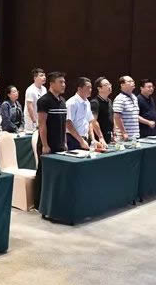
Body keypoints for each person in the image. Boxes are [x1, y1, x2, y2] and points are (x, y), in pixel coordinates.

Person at [36, 71, 67, 204]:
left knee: (57, 174)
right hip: (47, 144)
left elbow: (64, 124)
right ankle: (39, 202)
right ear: (52, 83)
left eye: (64, 82)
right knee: (44, 174)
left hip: (60, 144)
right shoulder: (44, 101)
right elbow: (42, 124)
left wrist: (64, 141)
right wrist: (45, 145)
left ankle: (54, 202)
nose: (63, 84)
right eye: (60, 82)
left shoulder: (62, 101)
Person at [65, 77, 104, 150]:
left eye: (91, 87)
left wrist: (93, 140)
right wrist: (81, 141)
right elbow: (68, 124)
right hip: (72, 139)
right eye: (88, 87)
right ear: (79, 89)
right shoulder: (71, 103)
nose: (90, 90)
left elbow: (90, 122)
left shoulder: (87, 102)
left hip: (84, 139)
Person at [113, 75, 140, 141]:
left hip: (135, 136)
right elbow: (117, 117)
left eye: (133, 81)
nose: (133, 83)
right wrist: (124, 133)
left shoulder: (134, 97)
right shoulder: (120, 98)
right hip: (124, 137)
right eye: (129, 81)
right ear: (122, 85)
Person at [90, 77, 114, 143]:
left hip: (108, 136)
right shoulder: (95, 102)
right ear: (99, 88)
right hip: (99, 138)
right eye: (106, 85)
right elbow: (93, 121)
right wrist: (101, 137)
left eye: (109, 84)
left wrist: (113, 133)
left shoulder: (109, 101)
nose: (109, 86)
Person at [24, 68, 47, 133]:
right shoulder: (30, 90)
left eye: (44, 75)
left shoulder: (44, 89)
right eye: (41, 75)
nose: (44, 77)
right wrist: (35, 121)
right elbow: (29, 107)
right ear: (35, 78)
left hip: (41, 120)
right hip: (32, 123)